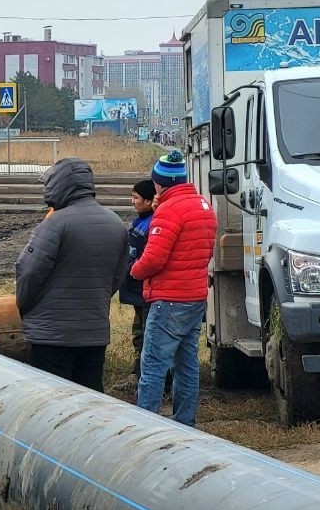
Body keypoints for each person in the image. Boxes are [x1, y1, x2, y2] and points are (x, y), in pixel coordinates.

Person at [15, 157, 129, 392]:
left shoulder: (54, 224)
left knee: (51, 403)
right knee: (89, 402)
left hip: (52, 335)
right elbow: (116, 277)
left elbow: (29, 272)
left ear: (61, 184)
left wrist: (24, 307)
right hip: (94, 332)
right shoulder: (116, 223)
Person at [131, 150, 217, 426]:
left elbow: (154, 258)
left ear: (160, 183)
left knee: (153, 365)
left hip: (169, 299)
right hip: (195, 297)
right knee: (186, 364)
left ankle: (147, 426)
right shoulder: (203, 206)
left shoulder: (169, 210)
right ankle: (185, 424)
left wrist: (134, 270)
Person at [120, 179, 156, 376]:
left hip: (144, 289)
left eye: (136, 197)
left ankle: (146, 376)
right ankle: (138, 373)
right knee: (139, 334)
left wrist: (130, 270)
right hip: (135, 289)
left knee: (147, 335)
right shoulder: (139, 221)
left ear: (149, 201)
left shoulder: (152, 223)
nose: (132, 201)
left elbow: (147, 257)